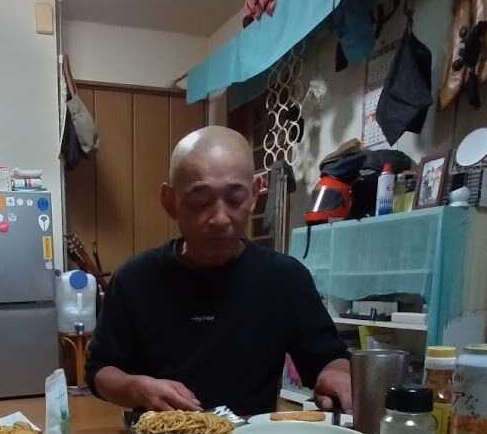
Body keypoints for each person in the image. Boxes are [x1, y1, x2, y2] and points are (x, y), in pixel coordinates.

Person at [86, 126, 352, 416]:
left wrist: (336, 374)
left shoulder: (286, 278)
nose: (220, 218)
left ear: (254, 194)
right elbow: (100, 370)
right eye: (200, 201)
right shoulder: (135, 278)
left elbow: (329, 358)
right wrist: (137, 388)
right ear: (169, 201)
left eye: (235, 199)